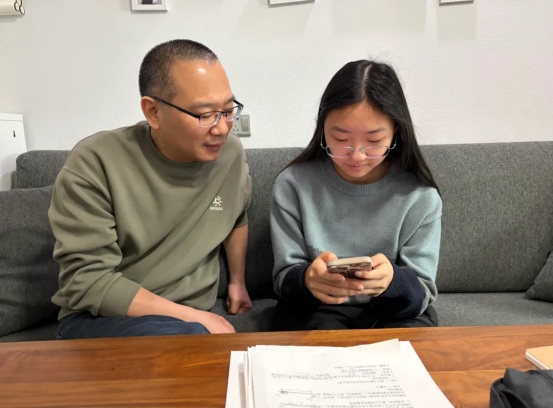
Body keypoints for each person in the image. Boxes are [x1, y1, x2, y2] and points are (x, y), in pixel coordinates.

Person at [50, 39, 253, 339]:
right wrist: (196, 319)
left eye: (227, 110)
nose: (222, 128)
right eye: (205, 114)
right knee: (187, 342)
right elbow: (88, 281)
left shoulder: (230, 154)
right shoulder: (95, 161)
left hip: (189, 322)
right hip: (102, 319)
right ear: (153, 111)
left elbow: (237, 215)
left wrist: (237, 282)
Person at [270, 60, 442, 331]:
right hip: (318, 310)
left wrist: (391, 282)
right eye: (341, 139)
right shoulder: (293, 185)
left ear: (396, 131)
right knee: (311, 345)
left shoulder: (420, 196)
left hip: (394, 315)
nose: (357, 156)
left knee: (412, 348)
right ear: (322, 129)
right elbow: (283, 280)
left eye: (373, 141)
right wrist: (308, 280)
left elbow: (422, 292)